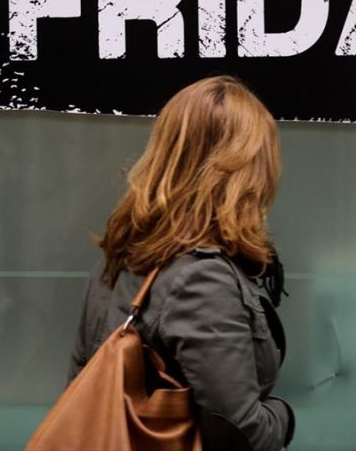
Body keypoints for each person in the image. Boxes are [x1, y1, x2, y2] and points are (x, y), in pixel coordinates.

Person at [68, 75, 295, 451]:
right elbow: (242, 435)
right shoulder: (201, 279)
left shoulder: (121, 258)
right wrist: (284, 414)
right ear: (245, 173)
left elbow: (81, 385)